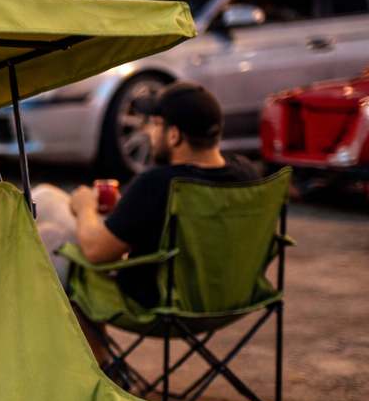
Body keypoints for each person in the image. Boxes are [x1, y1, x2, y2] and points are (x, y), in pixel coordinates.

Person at [34, 81, 259, 358]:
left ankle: (98, 367)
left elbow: (95, 252)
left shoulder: (158, 183)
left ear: (174, 135)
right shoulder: (246, 173)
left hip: (158, 300)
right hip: (225, 296)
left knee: (44, 236)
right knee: (43, 197)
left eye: (154, 124)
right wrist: (129, 212)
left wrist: (85, 209)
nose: (149, 132)